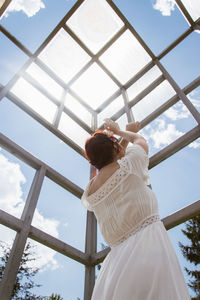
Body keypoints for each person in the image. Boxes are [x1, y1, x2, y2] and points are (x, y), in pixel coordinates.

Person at [81, 118, 191, 300]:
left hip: (115, 263)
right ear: (115, 148)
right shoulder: (129, 164)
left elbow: (112, 163)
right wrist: (122, 131)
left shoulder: (90, 190)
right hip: (148, 245)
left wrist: (116, 141)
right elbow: (140, 142)